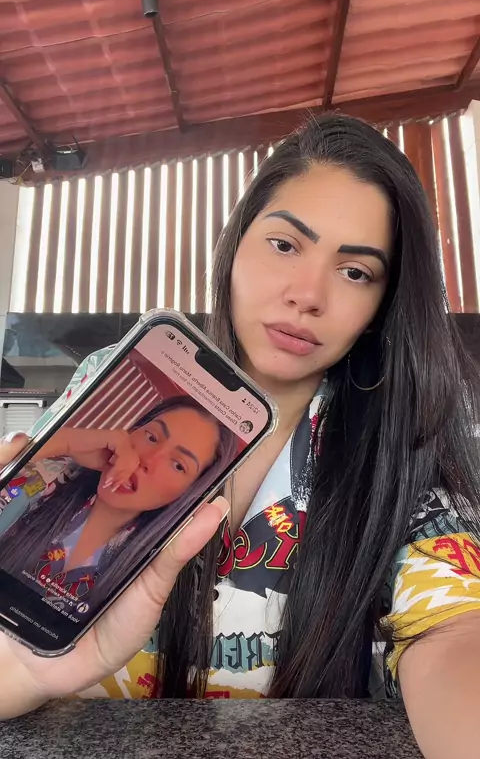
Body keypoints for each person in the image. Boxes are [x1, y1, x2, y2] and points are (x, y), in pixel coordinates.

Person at [0, 114, 479, 758]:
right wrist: (25, 672)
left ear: (381, 306)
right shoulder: (115, 385)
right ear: (233, 247)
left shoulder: (402, 454)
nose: (306, 294)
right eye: (284, 244)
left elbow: (456, 632)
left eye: (355, 272)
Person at [0, 397, 236, 611]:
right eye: (152, 437)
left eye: (178, 465)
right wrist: (65, 443)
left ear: (188, 492)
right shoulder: (43, 477)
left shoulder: (154, 574)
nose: (147, 459)